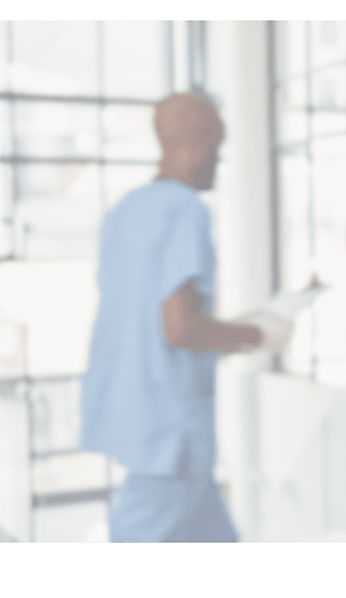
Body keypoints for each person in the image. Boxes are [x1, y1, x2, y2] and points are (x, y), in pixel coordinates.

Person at [80, 92, 291, 542]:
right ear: (198, 143)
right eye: (218, 146)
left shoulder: (123, 212)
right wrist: (259, 333)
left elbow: (144, 320)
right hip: (170, 437)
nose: (219, 159)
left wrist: (230, 334)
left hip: (134, 413)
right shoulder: (187, 210)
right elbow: (179, 328)